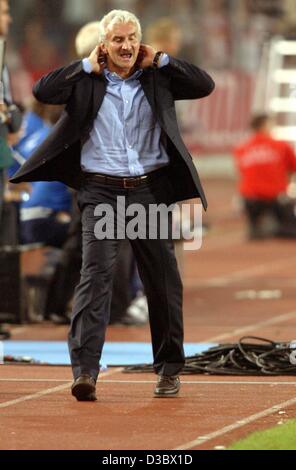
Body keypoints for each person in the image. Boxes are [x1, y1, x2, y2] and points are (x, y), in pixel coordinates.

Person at [11, 9, 215, 400]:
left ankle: (169, 369)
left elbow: (204, 84)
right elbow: (42, 91)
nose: (126, 46)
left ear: (140, 42)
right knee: (95, 278)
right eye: (117, 39)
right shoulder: (85, 80)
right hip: (102, 192)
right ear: (104, 45)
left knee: (163, 282)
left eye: (131, 39)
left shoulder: (158, 76)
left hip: (148, 191)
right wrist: (83, 65)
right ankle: (85, 372)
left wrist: (162, 58)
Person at [233, 114, 296, 239]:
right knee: (290, 228)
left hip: (250, 200)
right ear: (265, 126)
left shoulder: (241, 148)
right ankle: (278, 228)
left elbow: (242, 173)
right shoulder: (281, 146)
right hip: (276, 199)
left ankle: (256, 225)